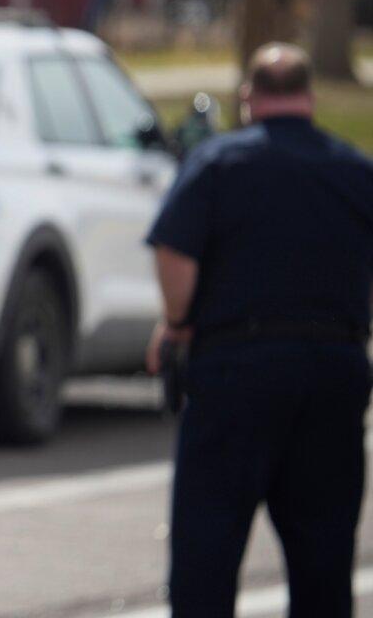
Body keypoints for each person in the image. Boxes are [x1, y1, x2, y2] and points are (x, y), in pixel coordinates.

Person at [146, 42, 373, 617]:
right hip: (334, 369)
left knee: (208, 550)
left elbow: (174, 248)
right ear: (310, 98)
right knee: (324, 556)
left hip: (236, 369)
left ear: (249, 99)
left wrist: (177, 324)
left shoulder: (219, 163)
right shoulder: (355, 168)